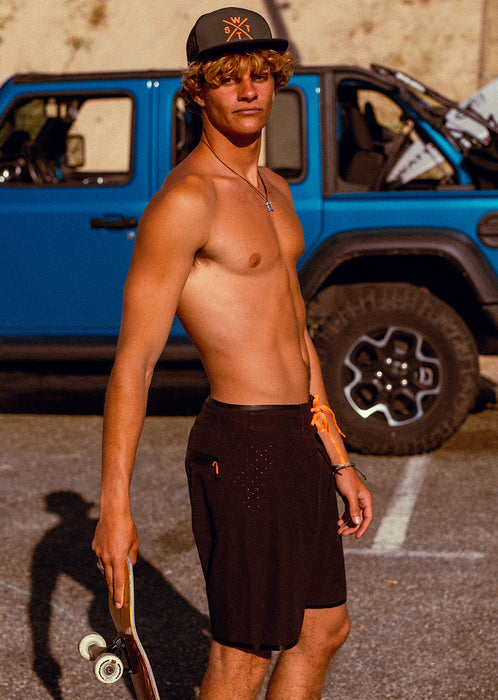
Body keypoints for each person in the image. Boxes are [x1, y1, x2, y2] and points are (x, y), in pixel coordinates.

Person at [93, 7, 373, 699]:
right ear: (198, 92)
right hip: (243, 445)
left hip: (298, 437)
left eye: (259, 75)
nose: (248, 90)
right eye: (227, 78)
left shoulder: (275, 190)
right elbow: (134, 363)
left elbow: (294, 330)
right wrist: (114, 506)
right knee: (243, 655)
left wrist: (337, 455)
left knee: (323, 629)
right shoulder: (186, 202)